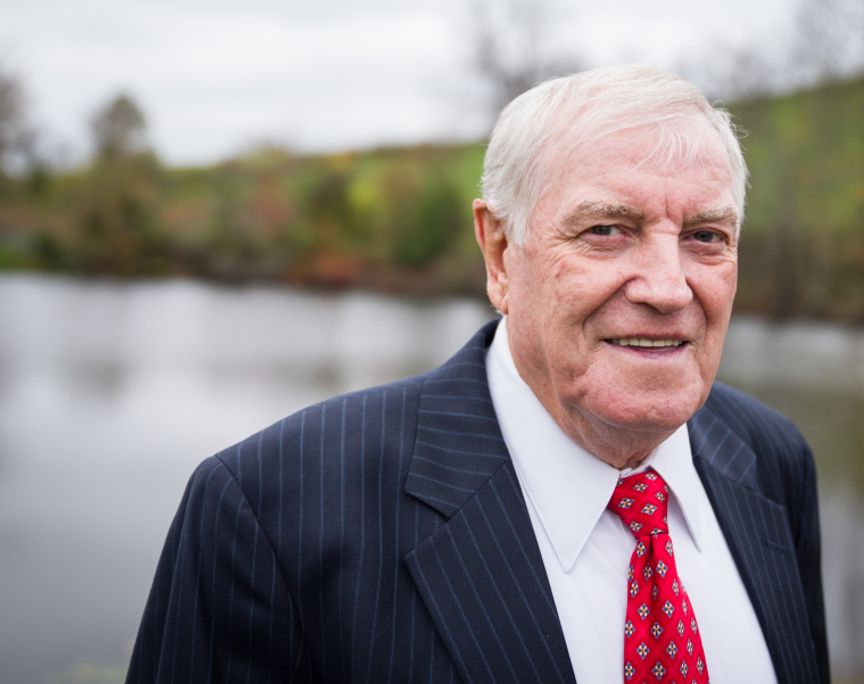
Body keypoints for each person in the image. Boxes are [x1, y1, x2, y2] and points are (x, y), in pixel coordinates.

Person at [128, 65, 828, 684]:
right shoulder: (270, 512)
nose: (669, 289)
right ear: (499, 252)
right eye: (606, 230)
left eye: (705, 236)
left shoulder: (772, 460)